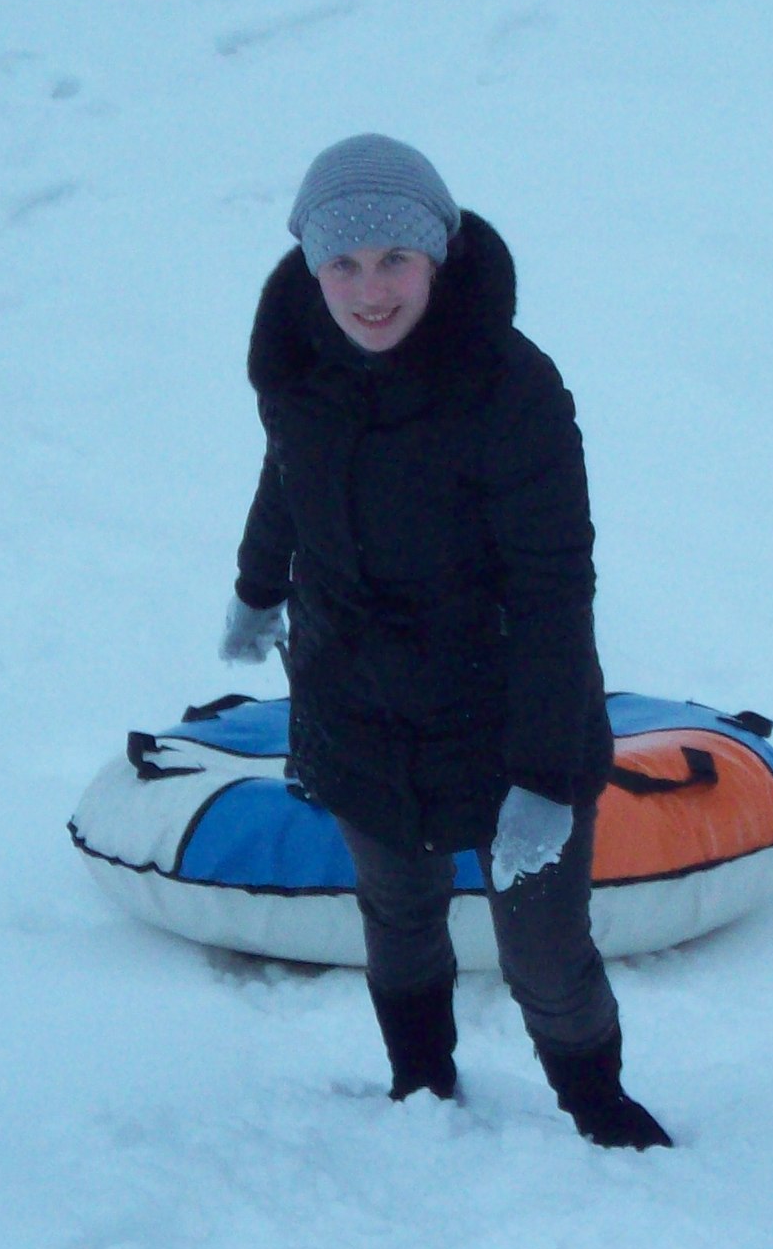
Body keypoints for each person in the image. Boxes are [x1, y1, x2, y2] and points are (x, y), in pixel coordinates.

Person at [219, 134, 671, 1150]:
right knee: (395, 910)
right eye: (343, 262)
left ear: (437, 253)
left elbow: (555, 588)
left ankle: (598, 1110)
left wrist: (544, 777)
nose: (369, 291)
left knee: (542, 950)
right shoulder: (300, 363)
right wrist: (256, 589)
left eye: (395, 259)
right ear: (311, 266)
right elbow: (286, 475)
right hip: (355, 700)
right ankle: (419, 1083)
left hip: (503, 710)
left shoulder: (510, 386)